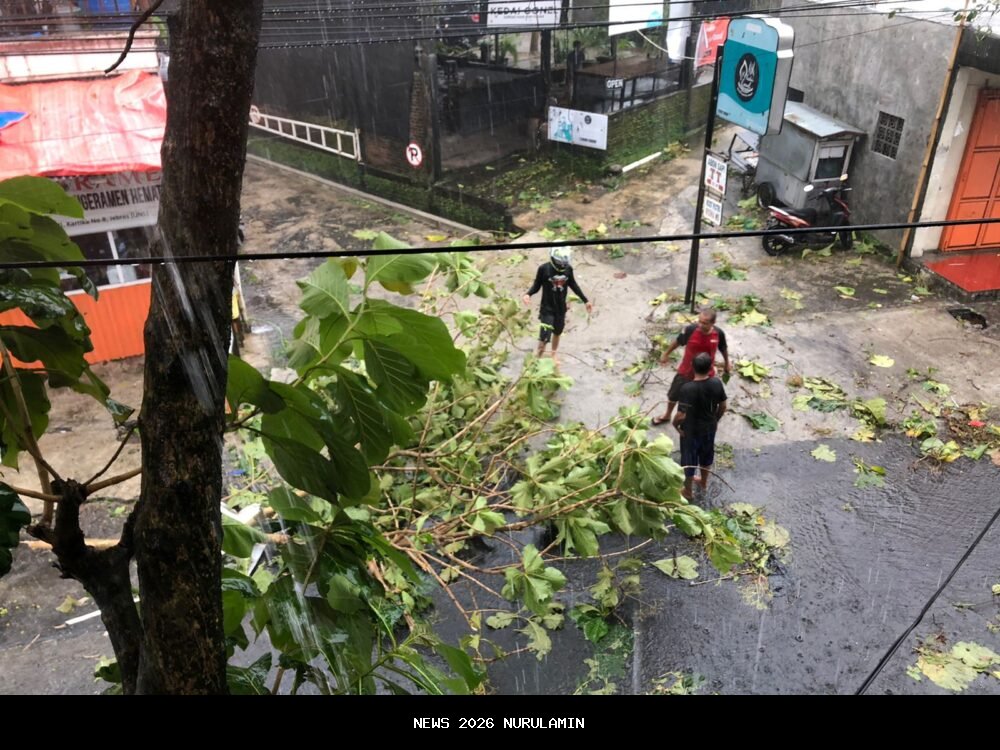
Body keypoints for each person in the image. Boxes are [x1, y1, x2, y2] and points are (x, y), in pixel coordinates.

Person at [653, 305, 731, 426]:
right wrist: (666, 353)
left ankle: (695, 418)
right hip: (686, 371)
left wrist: (727, 363)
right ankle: (667, 415)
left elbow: (723, 348)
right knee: (674, 394)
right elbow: (678, 341)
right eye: (699, 321)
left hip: (706, 374)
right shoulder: (690, 330)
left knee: (701, 398)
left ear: (713, 323)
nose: (700, 325)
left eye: (704, 323)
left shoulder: (718, 334)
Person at [522, 247, 593, 365]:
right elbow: (537, 285)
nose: (562, 266)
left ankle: (553, 353)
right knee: (544, 337)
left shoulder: (568, 270)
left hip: (561, 309)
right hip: (547, 309)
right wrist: (528, 294)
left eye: (564, 263)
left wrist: (586, 300)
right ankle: (537, 359)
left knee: (558, 332)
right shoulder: (544, 269)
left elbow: (574, 285)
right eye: (560, 263)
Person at [673, 352, 727, 500]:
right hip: (709, 428)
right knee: (706, 455)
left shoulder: (687, 388)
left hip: (691, 431)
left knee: (689, 460)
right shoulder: (716, 383)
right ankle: (703, 482)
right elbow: (723, 406)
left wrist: (675, 425)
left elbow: (681, 415)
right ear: (710, 368)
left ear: (692, 367)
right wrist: (715, 420)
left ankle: (688, 491)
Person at [566, 40, 585, 106]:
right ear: (575, 46)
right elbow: (569, 64)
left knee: (578, 86)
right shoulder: (570, 55)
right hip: (572, 72)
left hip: (579, 72)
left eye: (579, 46)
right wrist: (571, 72)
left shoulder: (582, 54)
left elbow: (582, 63)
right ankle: (571, 101)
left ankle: (577, 99)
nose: (579, 47)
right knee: (571, 87)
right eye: (577, 46)